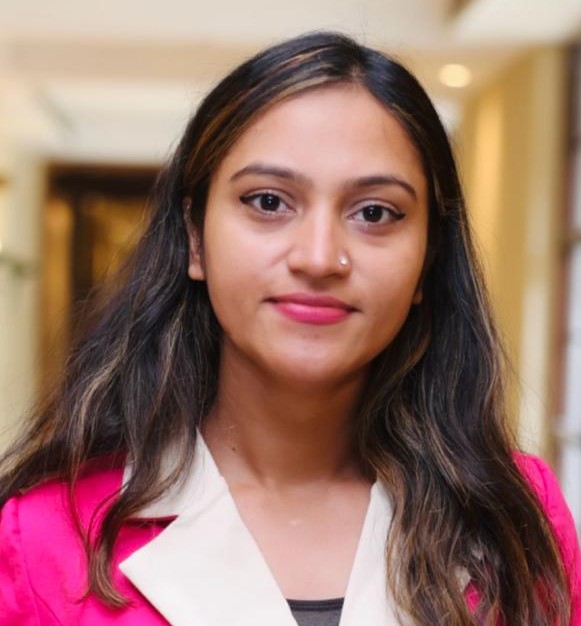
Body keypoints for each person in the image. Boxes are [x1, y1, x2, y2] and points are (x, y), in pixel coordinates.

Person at [0, 31, 579, 626]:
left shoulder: (515, 520)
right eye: (269, 202)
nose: (319, 257)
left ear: (428, 259)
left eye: (374, 212)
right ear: (196, 238)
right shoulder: (44, 535)